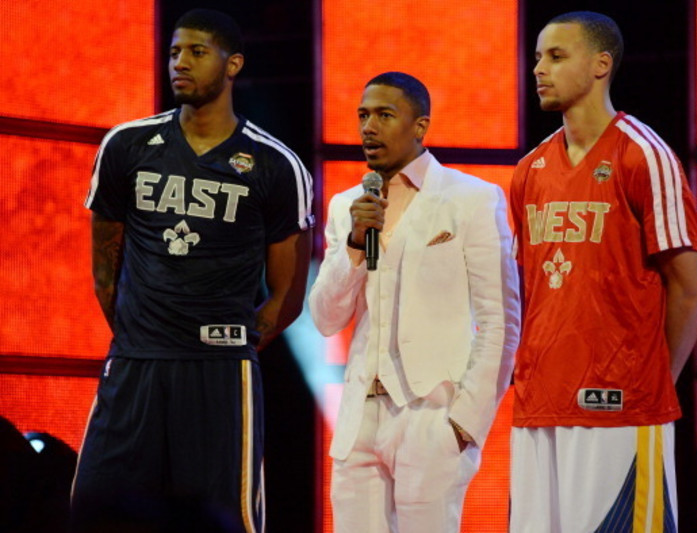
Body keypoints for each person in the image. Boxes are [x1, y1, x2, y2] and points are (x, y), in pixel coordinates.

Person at [72, 9, 314, 532]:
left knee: (225, 519)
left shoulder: (274, 164)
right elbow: (104, 266)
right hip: (136, 363)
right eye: (175, 52)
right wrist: (142, 330)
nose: (180, 63)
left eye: (197, 52)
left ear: (233, 65)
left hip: (221, 372)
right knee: (94, 508)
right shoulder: (127, 145)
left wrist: (234, 343)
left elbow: (287, 293)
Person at [509, 12, 697, 533]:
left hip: (620, 409)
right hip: (539, 408)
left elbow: (690, 288)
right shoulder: (529, 170)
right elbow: (530, 293)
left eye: (555, 56)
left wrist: (651, 385)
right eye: (536, 58)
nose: (538, 69)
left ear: (601, 65)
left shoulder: (644, 154)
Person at [309, 71, 519, 533]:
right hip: (359, 416)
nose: (368, 127)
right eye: (363, 115)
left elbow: (500, 320)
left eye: (385, 115)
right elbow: (325, 319)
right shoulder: (348, 206)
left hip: (432, 412)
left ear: (420, 125)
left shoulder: (473, 199)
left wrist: (466, 422)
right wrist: (355, 244)